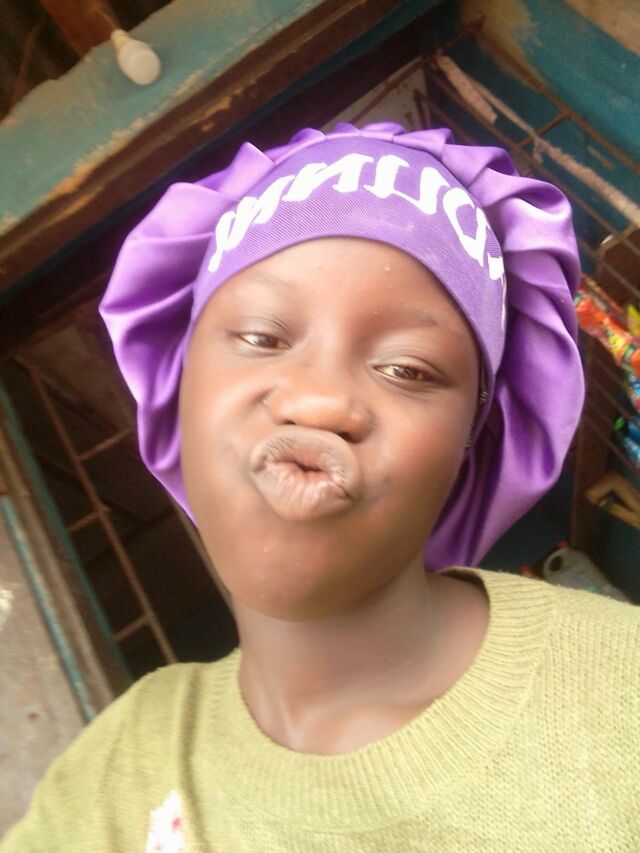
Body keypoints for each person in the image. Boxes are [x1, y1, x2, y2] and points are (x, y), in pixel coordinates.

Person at [3, 123, 639, 852]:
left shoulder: (620, 696)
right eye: (261, 337)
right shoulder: (109, 779)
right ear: (179, 384)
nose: (318, 401)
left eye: (407, 369)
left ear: (468, 445)